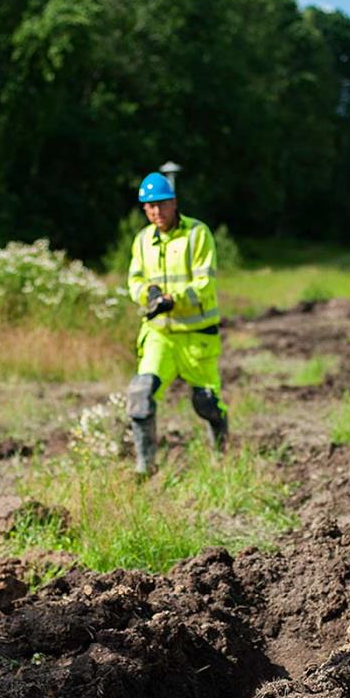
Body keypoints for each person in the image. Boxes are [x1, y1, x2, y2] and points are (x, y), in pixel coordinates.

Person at [125, 171, 228, 474]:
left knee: (206, 402)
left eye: (161, 204)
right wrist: (149, 293)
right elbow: (134, 281)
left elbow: (204, 282)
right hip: (159, 337)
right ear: (144, 209)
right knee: (141, 396)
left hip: (197, 337)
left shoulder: (197, 234)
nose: (156, 212)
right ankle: (145, 468)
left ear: (174, 202)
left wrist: (174, 299)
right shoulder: (142, 240)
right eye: (149, 206)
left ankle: (220, 460)